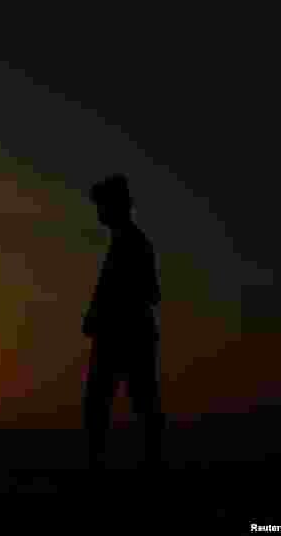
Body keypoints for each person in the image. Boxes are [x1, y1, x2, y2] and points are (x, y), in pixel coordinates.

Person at [82, 174, 166, 469]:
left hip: (124, 335)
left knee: (113, 401)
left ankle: (107, 462)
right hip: (124, 333)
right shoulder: (128, 242)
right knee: (127, 400)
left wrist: (105, 314)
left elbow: (148, 292)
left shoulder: (132, 243)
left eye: (102, 205)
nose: (99, 211)